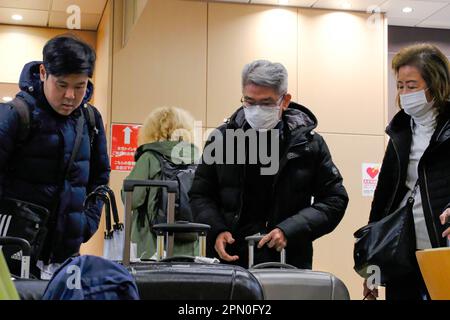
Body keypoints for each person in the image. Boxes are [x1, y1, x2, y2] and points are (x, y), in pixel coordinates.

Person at [189, 60, 348, 269]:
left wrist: (290, 230)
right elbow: (200, 194)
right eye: (249, 101)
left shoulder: (308, 145)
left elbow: (334, 199)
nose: (256, 110)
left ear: (285, 100)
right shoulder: (222, 139)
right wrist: (216, 230)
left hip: (288, 261)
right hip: (231, 261)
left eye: (266, 103)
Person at [0, 34, 110, 279]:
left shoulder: (90, 119)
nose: (70, 95)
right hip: (13, 248)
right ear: (43, 73)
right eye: (62, 85)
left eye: (79, 86)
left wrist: (85, 224)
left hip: (64, 256)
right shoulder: (15, 115)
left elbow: (100, 178)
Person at [363, 43, 450, 300]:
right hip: (401, 254)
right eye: (400, 85)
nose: (404, 92)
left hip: (441, 253)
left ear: (436, 85)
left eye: (412, 86)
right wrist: (372, 271)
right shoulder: (400, 131)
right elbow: (382, 204)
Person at [123, 106, 200, 259]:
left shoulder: (149, 158)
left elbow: (132, 199)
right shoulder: (197, 160)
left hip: (152, 247)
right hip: (191, 246)